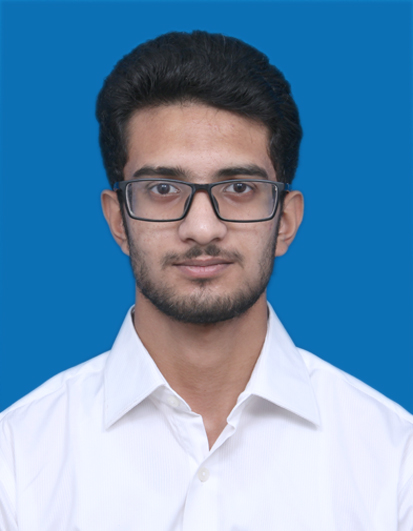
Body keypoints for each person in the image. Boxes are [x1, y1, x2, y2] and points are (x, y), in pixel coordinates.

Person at [0, 30, 412, 531]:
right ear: (118, 221)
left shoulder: (394, 458)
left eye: (238, 187)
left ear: (285, 221)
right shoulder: (17, 457)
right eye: (163, 188)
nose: (201, 228)